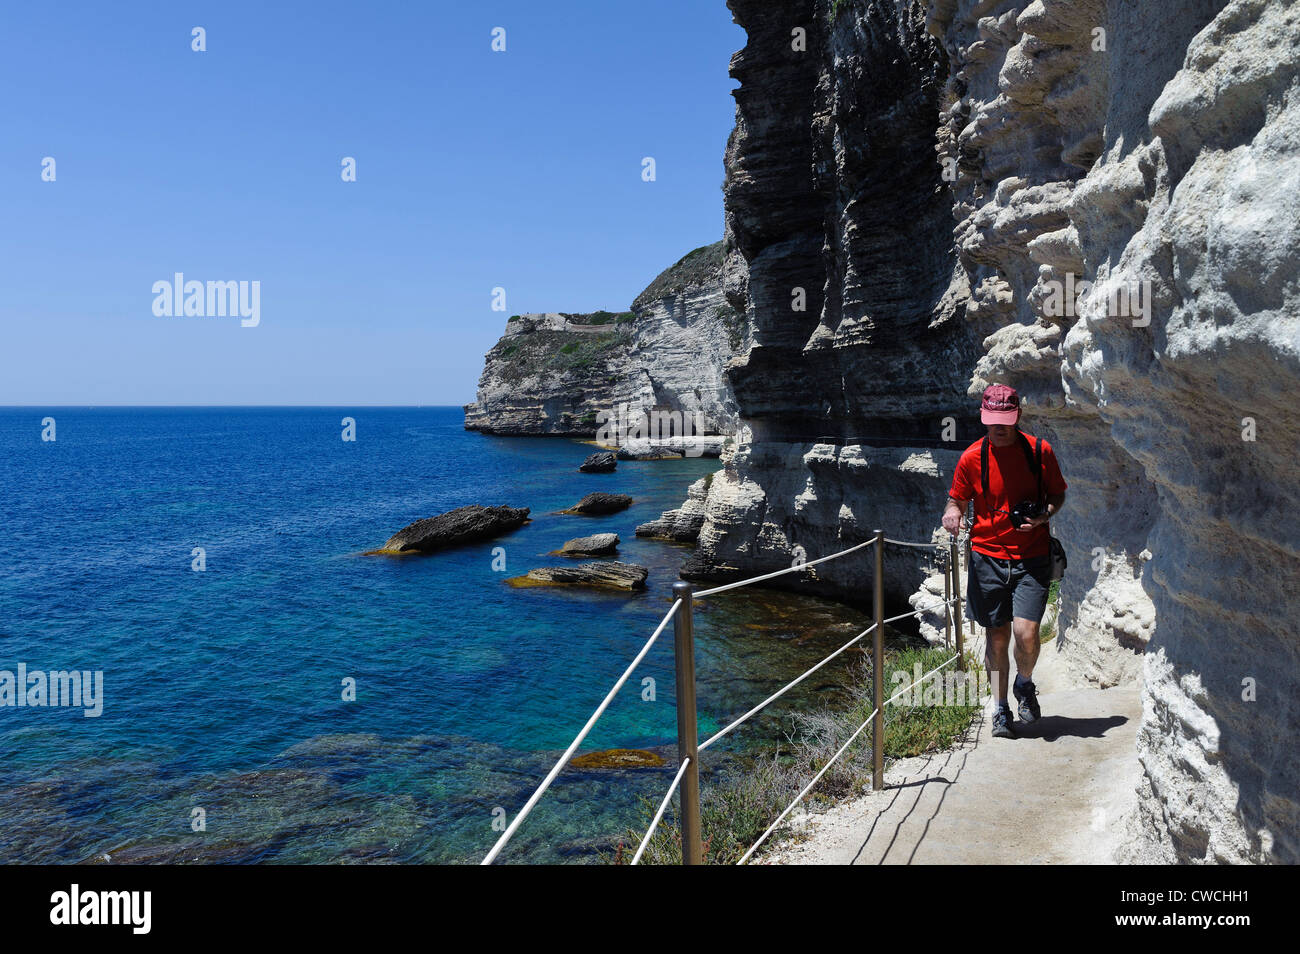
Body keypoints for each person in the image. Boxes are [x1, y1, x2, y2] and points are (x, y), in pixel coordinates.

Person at [941, 384, 1067, 738]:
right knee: (996, 639)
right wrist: (952, 514)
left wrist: (1045, 516)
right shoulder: (971, 458)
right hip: (987, 559)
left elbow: (1057, 493)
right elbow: (955, 500)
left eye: (1006, 421)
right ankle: (999, 709)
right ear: (984, 417)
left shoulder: (1040, 452)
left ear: (1018, 417)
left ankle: (1024, 684)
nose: (999, 428)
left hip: (1031, 557)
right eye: (992, 420)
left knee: (1025, 633)